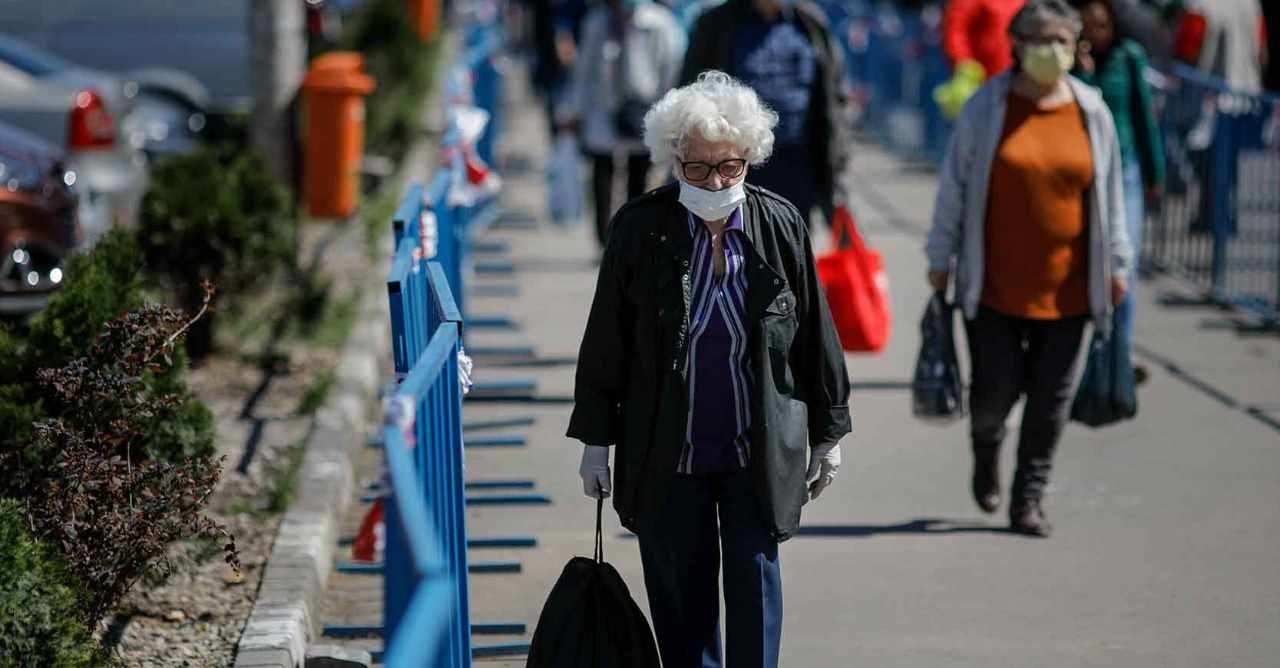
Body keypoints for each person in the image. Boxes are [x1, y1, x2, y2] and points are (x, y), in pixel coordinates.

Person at [568, 71, 852, 667]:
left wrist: (829, 432)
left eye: (730, 167)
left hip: (757, 446)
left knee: (755, 586)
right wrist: (597, 438)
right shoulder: (640, 229)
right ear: (673, 160)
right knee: (681, 604)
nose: (716, 181)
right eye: (698, 168)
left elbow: (814, 339)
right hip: (670, 448)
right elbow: (605, 342)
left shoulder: (779, 225)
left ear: (750, 158)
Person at [926, 0, 1132, 538]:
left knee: (1050, 401)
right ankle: (986, 447)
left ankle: (1028, 499)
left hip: (1070, 289)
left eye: (1061, 40)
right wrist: (939, 256)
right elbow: (955, 185)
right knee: (993, 394)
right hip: (992, 284)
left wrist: (1118, 264)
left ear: (1075, 46)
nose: (1049, 50)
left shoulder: (1091, 110)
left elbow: (1109, 195)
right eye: (1038, 39)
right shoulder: (986, 107)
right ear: (1016, 44)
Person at [678, 0, 853, 227]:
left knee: (792, 246)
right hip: (736, 168)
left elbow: (835, 96)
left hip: (798, 164)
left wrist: (837, 168)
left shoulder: (809, 23)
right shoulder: (716, 24)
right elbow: (690, 93)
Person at [1074, 0, 1164, 385]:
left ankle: (1121, 355)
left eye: (1102, 26)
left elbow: (1144, 115)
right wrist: (1085, 73)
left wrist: (1155, 172)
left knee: (1122, 265)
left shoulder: (1129, 58)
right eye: (1088, 26)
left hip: (1124, 171)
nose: (1096, 33)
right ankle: (1082, 354)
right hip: (1084, 175)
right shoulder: (1074, 65)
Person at [563, 0, 685, 246]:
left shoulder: (658, 22)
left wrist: (668, 115)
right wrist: (575, 110)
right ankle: (604, 239)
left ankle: (631, 236)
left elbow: (669, 70)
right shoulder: (597, 21)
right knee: (601, 172)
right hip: (603, 107)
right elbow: (584, 70)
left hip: (643, 107)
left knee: (638, 175)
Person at [1174, 0, 1268, 92]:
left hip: (1210, 95)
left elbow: (1188, 51)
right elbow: (1263, 55)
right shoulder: (1252, 4)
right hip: (1250, 95)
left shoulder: (1201, 4)